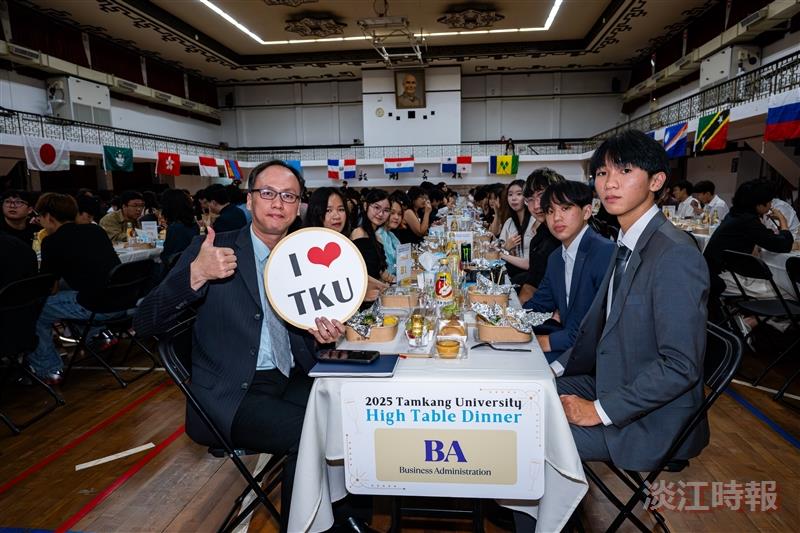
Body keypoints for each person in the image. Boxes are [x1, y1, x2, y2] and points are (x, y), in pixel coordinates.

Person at [133, 160, 348, 533]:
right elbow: (144, 322)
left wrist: (322, 335)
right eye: (267, 193)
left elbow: (303, 332)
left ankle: (344, 517)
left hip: (288, 376)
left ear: (298, 206)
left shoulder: (303, 256)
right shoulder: (213, 249)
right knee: (311, 434)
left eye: (288, 196)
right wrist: (196, 275)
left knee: (351, 417)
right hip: (232, 394)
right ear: (249, 201)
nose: (277, 203)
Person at [554, 130, 709, 490]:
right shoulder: (627, 240)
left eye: (624, 171)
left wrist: (597, 411)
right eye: (603, 173)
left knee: (530, 434)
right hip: (616, 380)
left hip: (653, 421)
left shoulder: (674, 254)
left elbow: (681, 366)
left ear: (656, 181)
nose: (610, 183)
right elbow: (600, 331)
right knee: (531, 392)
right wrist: (555, 367)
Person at [29, 193, 122, 384]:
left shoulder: (51, 241)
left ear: (48, 216)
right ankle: (99, 334)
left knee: (35, 309)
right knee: (72, 292)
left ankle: (49, 369)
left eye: (39, 215)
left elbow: (51, 288)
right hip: (122, 300)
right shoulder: (95, 231)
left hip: (97, 306)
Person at [522, 180, 615, 363]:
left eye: (565, 209)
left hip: (594, 358)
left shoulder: (604, 252)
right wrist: (502, 320)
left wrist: (546, 342)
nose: (556, 218)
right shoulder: (557, 257)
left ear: (587, 212)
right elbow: (539, 304)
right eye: (550, 211)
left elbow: (598, 327)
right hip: (567, 343)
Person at [704, 179, 793, 300]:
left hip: (711, 272)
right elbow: (783, 245)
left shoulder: (735, 214)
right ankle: (754, 318)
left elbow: (763, 235)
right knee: (790, 293)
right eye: (769, 202)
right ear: (759, 204)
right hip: (724, 277)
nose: (771, 205)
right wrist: (782, 220)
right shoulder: (748, 221)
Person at [518, 169, 564, 303]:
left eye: (542, 195)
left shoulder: (569, 235)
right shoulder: (538, 240)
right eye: (530, 200)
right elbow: (532, 283)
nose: (536, 206)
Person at [351, 190, 393, 284]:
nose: (381, 214)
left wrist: (385, 276)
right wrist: (381, 284)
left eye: (386, 210)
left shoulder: (377, 237)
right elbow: (360, 272)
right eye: (376, 207)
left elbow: (376, 269)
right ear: (366, 206)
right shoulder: (359, 233)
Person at [498, 179, 536, 284]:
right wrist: (506, 247)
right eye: (510, 195)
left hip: (529, 277)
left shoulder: (535, 222)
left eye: (519, 194)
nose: (513, 198)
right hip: (512, 271)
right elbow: (499, 246)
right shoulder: (509, 222)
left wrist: (502, 253)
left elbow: (530, 264)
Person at [160, 189, 200, 269]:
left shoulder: (175, 227)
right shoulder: (194, 225)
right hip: (191, 265)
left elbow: (168, 255)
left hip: (176, 270)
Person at [378, 196, 404, 277]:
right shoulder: (378, 236)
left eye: (399, 214)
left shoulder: (391, 235)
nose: (396, 217)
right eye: (392, 213)